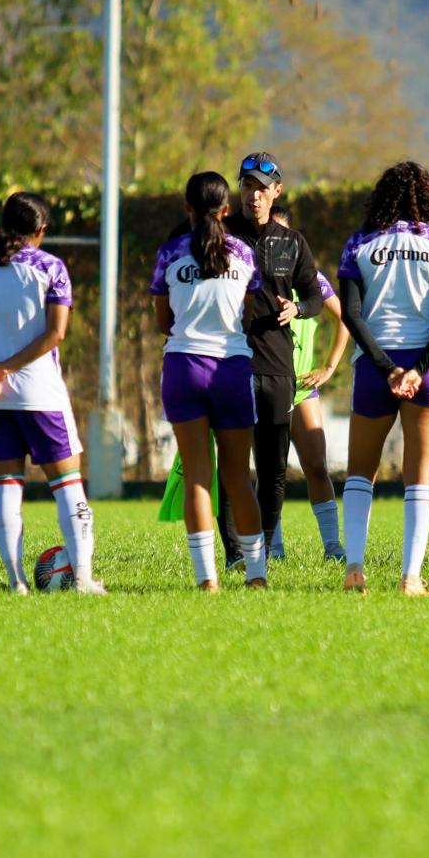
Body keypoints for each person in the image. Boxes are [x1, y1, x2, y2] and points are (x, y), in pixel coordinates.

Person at [0, 192, 106, 595]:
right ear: (41, 231)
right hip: (39, 394)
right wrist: (8, 368)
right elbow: (56, 333)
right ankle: (84, 579)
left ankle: (15, 580)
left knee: (6, 484)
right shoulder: (51, 268)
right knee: (68, 484)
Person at [336, 160, 429, 597]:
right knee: (420, 477)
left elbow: (351, 314)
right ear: (426, 197)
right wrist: (418, 368)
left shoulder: (358, 243)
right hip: (428, 372)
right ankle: (411, 577)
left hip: (375, 369)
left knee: (360, 474)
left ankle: (354, 567)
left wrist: (386, 367)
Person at [152, 171, 268, 591]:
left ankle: (207, 581)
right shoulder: (243, 252)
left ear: (187, 208)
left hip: (182, 368)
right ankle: (256, 576)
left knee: (199, 476)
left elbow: (163, 321)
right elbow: (247, 313)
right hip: (231, 369)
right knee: (239, 478)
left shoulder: (169, 254)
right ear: (226, 209)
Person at [215, 152, 324, 565]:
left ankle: (259, 546)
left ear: (276, 191)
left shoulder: (293, 242)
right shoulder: (221, 235)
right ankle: (234, 554)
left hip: (279, 366)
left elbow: (315, 296)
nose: (254, 195)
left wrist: (297, 309)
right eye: (247, 186)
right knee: (233, 464)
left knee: (274, 467)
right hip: (231, 362)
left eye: (262, 188)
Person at [274, 204, 348, 559]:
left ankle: (332, 545)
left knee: (316, 466)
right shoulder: (250, 275)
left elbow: (344, 319)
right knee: (270, 471)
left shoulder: (311, 280)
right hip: (265, 385)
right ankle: (273, 547)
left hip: (303, 389)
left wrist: (329, 366)